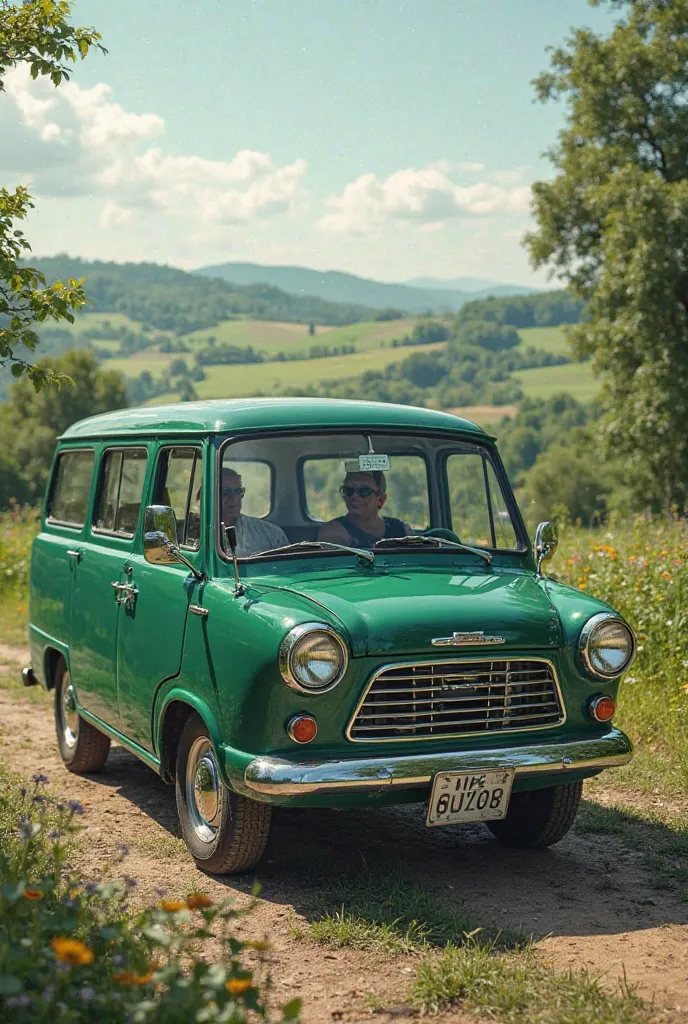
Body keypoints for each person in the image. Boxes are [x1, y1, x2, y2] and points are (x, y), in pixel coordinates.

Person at [318, 470, 412, 549]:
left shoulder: (401, 531)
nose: (354, 496)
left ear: (380, 499)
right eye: (348, 490)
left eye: (364, 491)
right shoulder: (332, 533)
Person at [221, 467, 289, 557]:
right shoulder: (199, 535)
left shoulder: (272, 534)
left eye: (238, 491)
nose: (234, 498)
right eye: (226, 492)